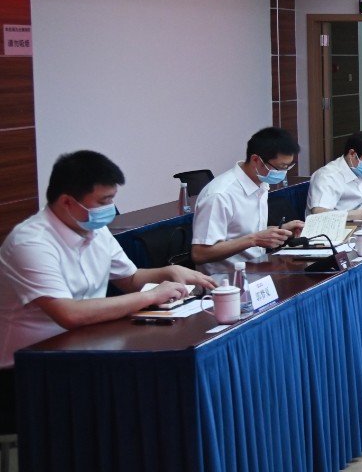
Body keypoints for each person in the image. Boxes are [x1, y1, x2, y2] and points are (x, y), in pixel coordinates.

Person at [0, 153, 215, 406]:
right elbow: (69, 314)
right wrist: (152, 295)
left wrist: (168, 272)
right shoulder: (30, 243)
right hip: (28, 372)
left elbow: (130, 278)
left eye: (112, 199)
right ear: (67, 202)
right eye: (104, 201)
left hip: (85, 352)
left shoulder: (94, 229)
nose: (110, 209)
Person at [192, 126, 306, 278]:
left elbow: (244, 231)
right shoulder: (220, 195)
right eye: (280, 167)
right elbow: (199, 254)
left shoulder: (260, 183)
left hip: (258, 271)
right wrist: (254, 240)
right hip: (224, 281)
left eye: (288, 167)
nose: (283, 173)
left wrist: (281, 230)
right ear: (256, 160)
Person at [308, 130, 362, 222]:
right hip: (331, 228)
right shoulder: (327, 176)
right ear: (352, 154)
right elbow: (319, 213)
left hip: (357, 226)